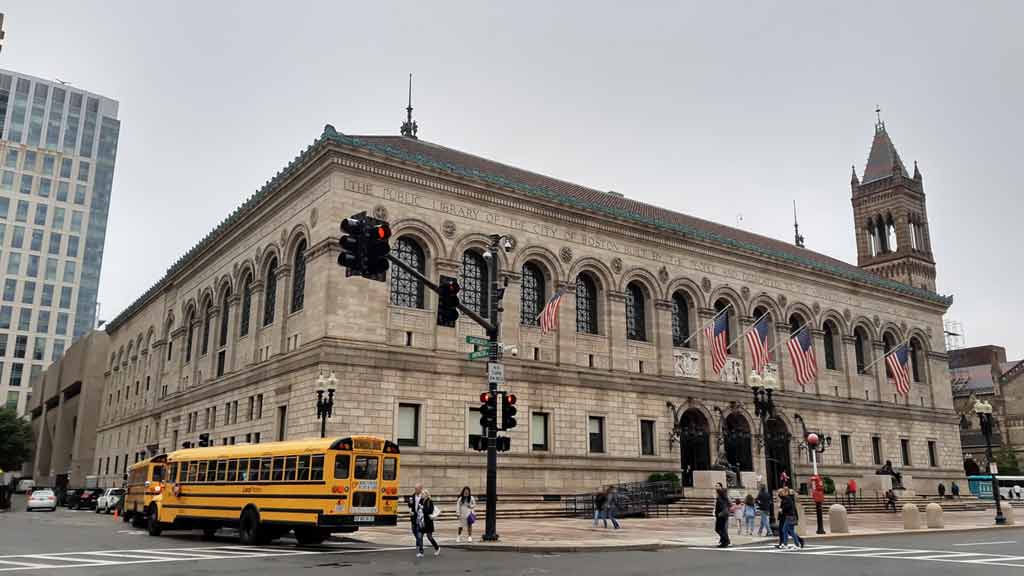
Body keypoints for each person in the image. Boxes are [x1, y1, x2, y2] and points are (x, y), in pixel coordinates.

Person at [407, 483, 440, 558]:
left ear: (426, 495)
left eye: (423, 494)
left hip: (428, 522)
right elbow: (417, 510)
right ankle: (421, 552)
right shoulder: (421, 501)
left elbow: (430, 511)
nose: (422, 495)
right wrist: (413, 512)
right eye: (422, 494)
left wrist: (422, 509)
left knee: (429, 537)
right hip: (421, 522)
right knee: (420, 537)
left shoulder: (430, 502)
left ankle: (437, 548)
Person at [714, 484, 731, 548]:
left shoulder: (721, 496)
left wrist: (720, 513)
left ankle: (726, 541)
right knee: (721, 529)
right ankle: (724, 541)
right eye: (716, 486)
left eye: (717, 486)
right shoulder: (723, 495)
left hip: (721, 515)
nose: (716, 487)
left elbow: (723, 505)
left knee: (719, 529)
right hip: (722, 514)